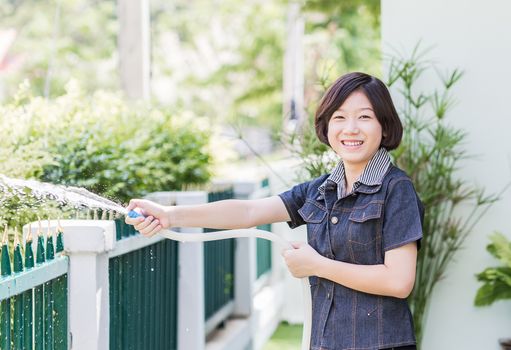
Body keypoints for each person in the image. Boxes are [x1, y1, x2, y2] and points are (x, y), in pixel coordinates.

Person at [125, 72, 423, 350]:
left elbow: (398, 281)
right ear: (327, 126)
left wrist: (317, 266)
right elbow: (248, 212)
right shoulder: (320, 190)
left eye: (364, 117)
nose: (351, 128)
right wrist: (170, 215)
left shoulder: (396, 189)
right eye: (340, 117)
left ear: (384, 126)